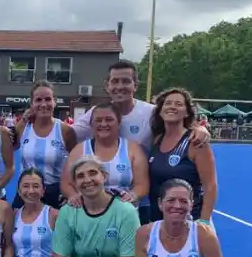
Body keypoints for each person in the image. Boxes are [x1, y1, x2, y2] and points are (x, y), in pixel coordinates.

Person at [71, 60, 210, 223]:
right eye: (115, 81)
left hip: (141, 198)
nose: (120, 86)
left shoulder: (151, 113)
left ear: (135, 85)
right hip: (102, 197)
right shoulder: (98, 112)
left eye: (126, 81)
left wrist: (199, 128)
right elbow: (70, 132)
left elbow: (176, 121)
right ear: (107, 85)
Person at [147, 88, 218, 224]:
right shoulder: (156, 140)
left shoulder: (195, 142)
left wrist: (204, 221)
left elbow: (210, 186)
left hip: (190, 221)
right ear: (160, 110)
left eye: (178, 104)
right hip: (159, 221)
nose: (172, 106)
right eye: (168, 103)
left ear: (187, 112)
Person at [61, 102, 149, 206]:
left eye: (109, 119)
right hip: (88, 208)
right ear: (91, 124)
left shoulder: (133, 149)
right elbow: (66, 184)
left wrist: (132, 195)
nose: (103, 124)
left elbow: (142, 185)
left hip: (122, 207)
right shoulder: (79, 150)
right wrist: (73, 196)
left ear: (119, 122)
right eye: (98, 120)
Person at [13, 80, 78, 209]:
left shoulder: (65, 131)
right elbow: (10, 147)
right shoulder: (23, 127)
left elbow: (77, 164)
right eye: (38, 100)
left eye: (48, 99)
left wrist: (71, 191)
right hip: (27, 191)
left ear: (55, 101)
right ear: (31, 103)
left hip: (54, 193)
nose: (43, 104)